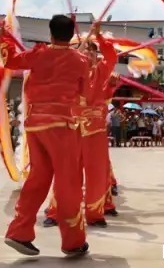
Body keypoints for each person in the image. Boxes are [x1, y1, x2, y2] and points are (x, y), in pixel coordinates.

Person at [1, 14, 90, 257]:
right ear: (72, 36)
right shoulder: (81, 61)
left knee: (38, 179)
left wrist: (7, 33)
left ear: (50, 33)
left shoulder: (37, 54)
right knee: (68, 182)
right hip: (61, 126)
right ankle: (72, 241)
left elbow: (10, 60)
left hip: (35, 124)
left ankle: (19, 231)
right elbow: (86, 93)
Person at [45, 27, 117, 228]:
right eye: (87, 50)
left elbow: (111, 56)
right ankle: (56, 212)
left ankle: (94, 214)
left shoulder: (102, 71)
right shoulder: (68, 70)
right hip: (71, 128)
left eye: (94, 51)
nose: (90, 53)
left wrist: (100, 36)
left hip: (96, 131)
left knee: (97, 175)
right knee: (65, 173)